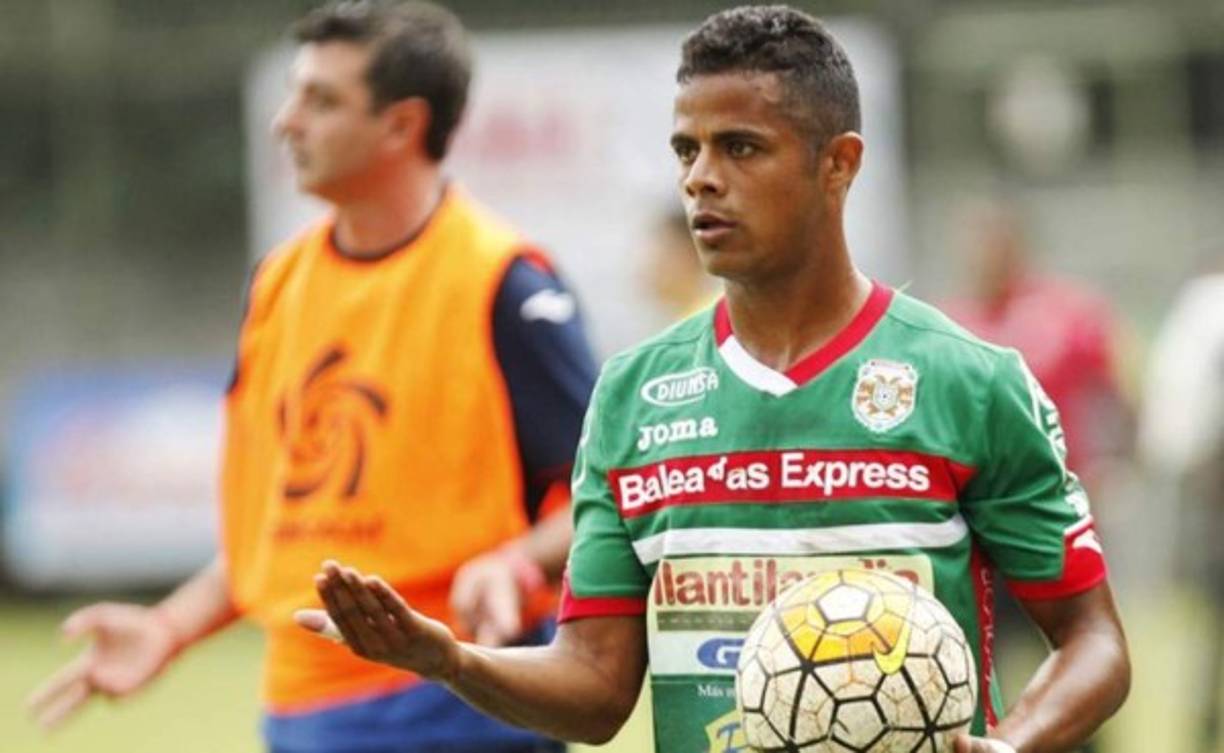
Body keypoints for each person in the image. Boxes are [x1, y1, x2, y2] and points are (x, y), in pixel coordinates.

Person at [294, 7, 1131, 753]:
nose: (700, 177)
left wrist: (1015, 742)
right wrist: (447, 658)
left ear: (838, 164)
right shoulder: (631, 396)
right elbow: (594, 691)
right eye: (686, 149)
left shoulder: (968, 379)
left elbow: (1093, 640)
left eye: (740, 147)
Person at [26, 3, 596, 752]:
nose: (285, 122)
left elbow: (609, 487)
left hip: (456, 703)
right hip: (298, 708)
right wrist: (168, 626)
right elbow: (283, 528)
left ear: (401, 124)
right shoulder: (277, 285)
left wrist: (514, 560)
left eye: (321, 100)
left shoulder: (505, 284)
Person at [942, 200, 1131, 492]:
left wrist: (1119, 459)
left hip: (1061, 485)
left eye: (996, 245)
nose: (986, 257)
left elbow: (1118, 388)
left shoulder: (1067, 310)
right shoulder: (946, 325)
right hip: (980, 494)